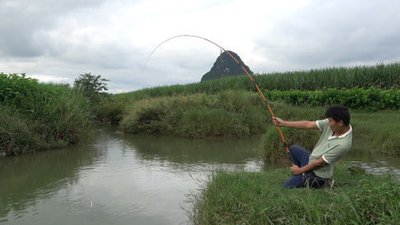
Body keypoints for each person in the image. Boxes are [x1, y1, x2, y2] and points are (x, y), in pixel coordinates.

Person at [272, 105, 352, 188]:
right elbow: (308, 124)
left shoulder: (343, 145)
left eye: (330, 121)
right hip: (311, 160)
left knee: (286, 186)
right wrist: (283, 123)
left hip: (318, 174)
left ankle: (322, 182)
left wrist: (299, 170)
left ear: (340, 123)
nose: (328, 123)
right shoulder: (333, 124)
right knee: (294, 149)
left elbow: (319, 163)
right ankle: (301, 176)